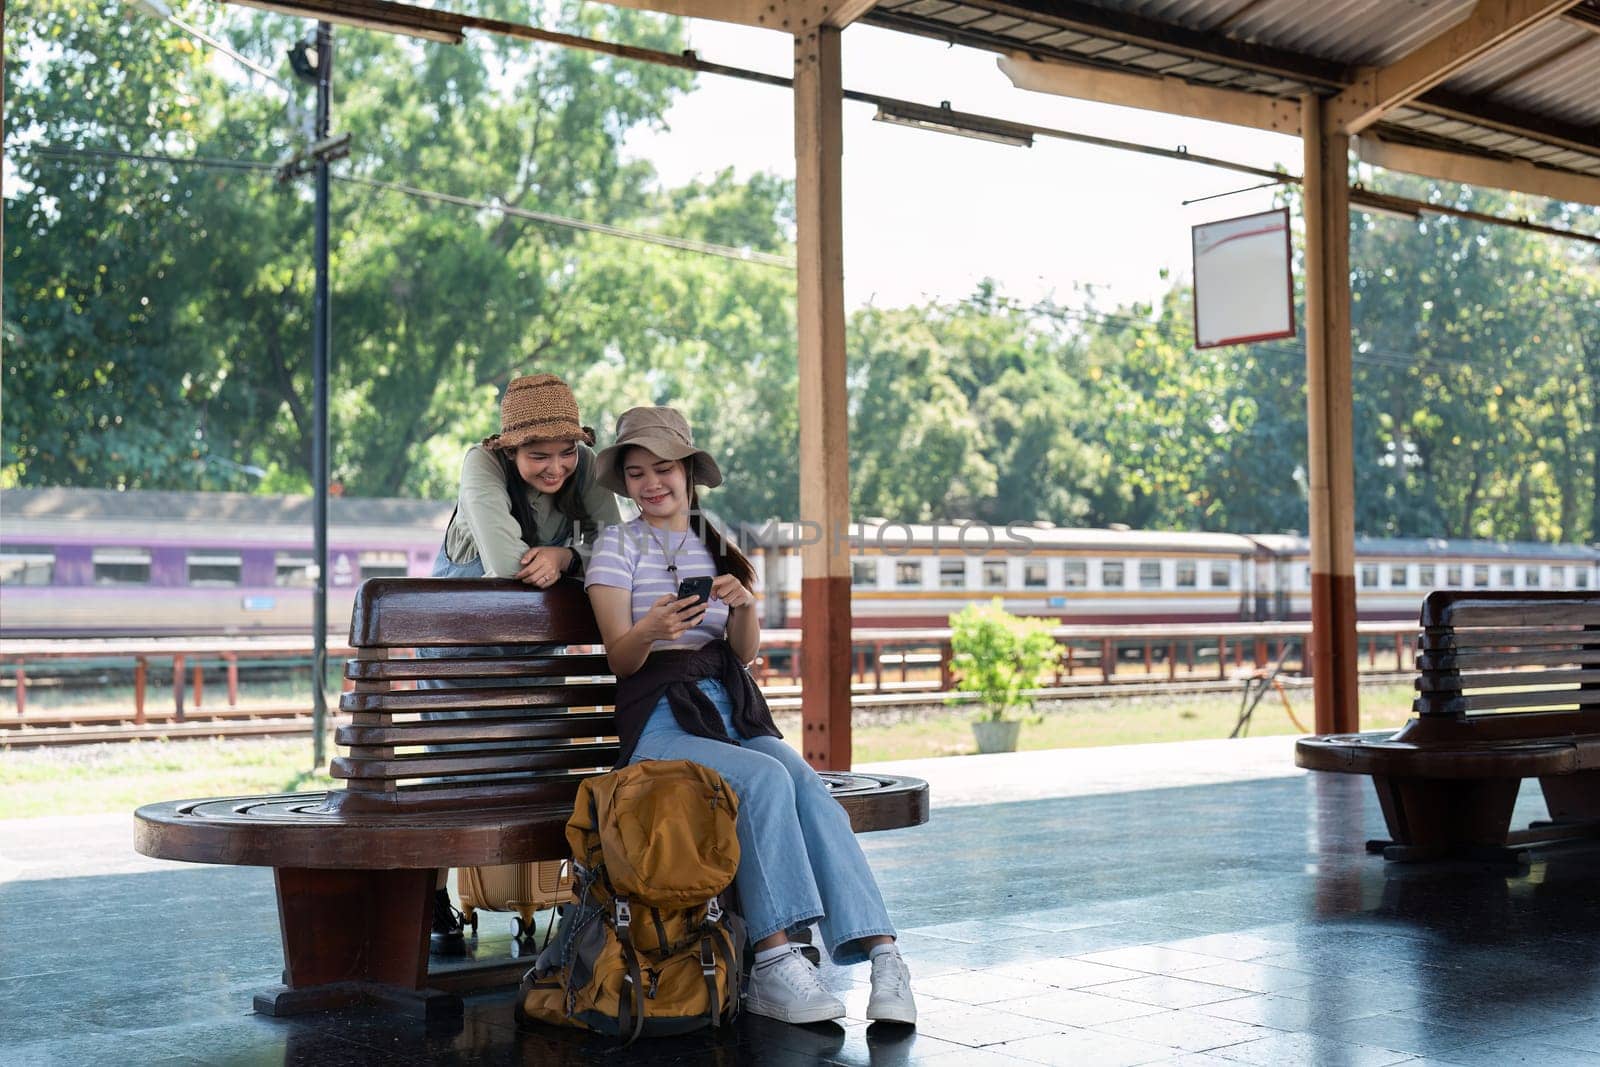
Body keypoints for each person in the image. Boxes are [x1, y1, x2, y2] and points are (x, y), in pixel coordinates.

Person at [583, 406, 917, 1027]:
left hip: (727, 706)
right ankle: (773, 960)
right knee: (762, 781)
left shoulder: (713, 541)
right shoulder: (615, 547)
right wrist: (651, 628)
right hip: (658, 719)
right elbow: (622, 660)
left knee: (804, 782)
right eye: (636, 474)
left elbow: (744, 652)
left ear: (688, 473)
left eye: (663, 469)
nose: (651, 484)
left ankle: (885, 956)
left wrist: (741, 606)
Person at [424, 373, 622, 950]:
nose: (556, 467)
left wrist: (565, 553)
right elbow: (507, 563)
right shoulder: (478, 467)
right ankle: (434, 898)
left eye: (566, 452)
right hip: (462, 645)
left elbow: (619, 545)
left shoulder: (583, 465)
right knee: (452, 776)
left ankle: (567, 896)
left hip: (535, 644)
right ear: (508, 448)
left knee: (545, 769)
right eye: (538, 455)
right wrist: (571, 562)